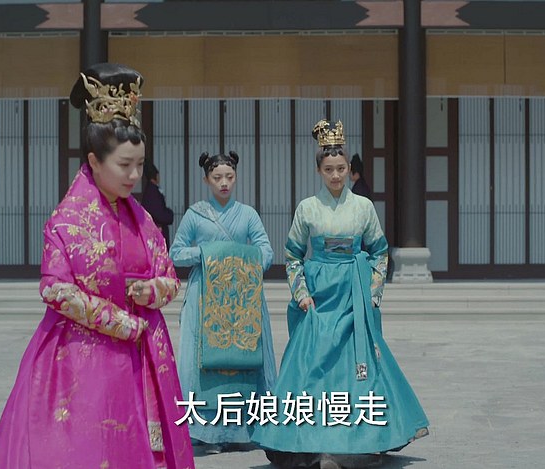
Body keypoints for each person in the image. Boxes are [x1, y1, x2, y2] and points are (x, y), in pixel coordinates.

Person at [0, 63, 194, 469]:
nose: (135, 175)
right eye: (124, 165)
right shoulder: (66, 220)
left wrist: (152, 290)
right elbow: (55, 289)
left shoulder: (143, 219)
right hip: (82, 354)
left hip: (145, 354)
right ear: (95, 161)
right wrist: (120, 321)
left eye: (140, 165)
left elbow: (168, 274)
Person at [251, 119, 429, 469]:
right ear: (319, 170)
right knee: (310, 366)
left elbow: (379, 251)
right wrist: (301, 293)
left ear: (349, 169)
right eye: (329, 169)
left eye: (341, 169)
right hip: (319, 297)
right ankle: (305, 440)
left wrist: (372, 293)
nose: (336, 176)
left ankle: (360, 441)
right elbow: (292, 255)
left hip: (353, 294)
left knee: (358, 368)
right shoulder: (307, 208)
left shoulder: (363, 207)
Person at [170, 151, 277, 454]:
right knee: (202, 361)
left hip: (243, 294)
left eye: (229, 176)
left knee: (247, 357)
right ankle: (205, 431)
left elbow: (266, 250)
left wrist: (243, 261)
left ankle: (249, 428)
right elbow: (175, 252)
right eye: (217, 177)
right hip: (205, 294)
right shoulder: (195, 214)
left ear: (236, 177)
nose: (224, 182)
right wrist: (207, 254)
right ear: (206, 179)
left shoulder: (248, 214)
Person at [140, 161, 175, 248]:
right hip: (156, 230)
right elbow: (158, 213)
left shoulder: (150, 190)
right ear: (156, 176)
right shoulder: (152, 192)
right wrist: (169, 214)